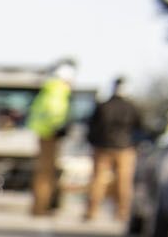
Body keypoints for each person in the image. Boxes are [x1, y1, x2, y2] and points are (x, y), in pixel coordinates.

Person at [86, 77, 143, 222]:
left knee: (98, 180)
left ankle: (91, 212)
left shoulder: (103, 105)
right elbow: (141, 128)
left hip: (103, 147)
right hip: (124, 148)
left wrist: (94, 142)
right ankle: (122, 213)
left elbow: (92, 127)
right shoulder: (132, 107)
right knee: (124, 182)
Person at [26, 62, 75, 217]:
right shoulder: (58, 91)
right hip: (50, 136)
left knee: (44, 173)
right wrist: (59, 128)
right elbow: (55, 113)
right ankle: (41, 207)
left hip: (45, 134)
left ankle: (40, 206)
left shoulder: (49, 89)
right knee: (46, 174)